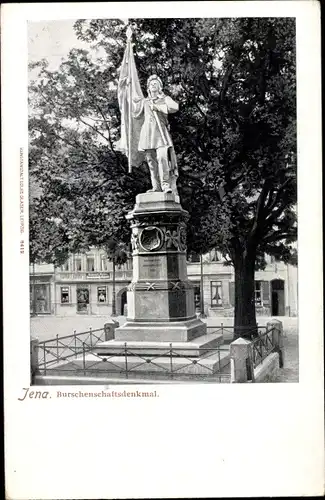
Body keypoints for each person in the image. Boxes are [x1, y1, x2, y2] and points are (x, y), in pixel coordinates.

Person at [133, 75, 179, 195]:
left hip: (160, 133)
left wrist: (158, 107)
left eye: (155, 83)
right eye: (151, 84)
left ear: (160, 87)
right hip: (148, 134)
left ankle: (165, 185)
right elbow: (134, 112)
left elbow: (175, 107)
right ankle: (156, 186)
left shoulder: (164, 98)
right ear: (148, 87)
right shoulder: (145, 101)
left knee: (162, 158)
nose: (153, 85)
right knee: (151, 161)